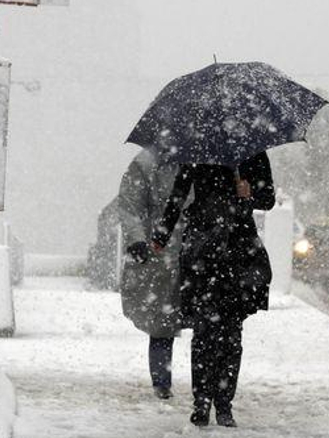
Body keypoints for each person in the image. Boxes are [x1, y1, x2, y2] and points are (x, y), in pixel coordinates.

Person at [153, 151, 274, 428]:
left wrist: (250, 192)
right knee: (205, 331)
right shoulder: (199, 151)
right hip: (203, 251)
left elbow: (268, 198)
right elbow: (178, 194)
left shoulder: (252, 153)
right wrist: (162, 234)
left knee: (231, 333)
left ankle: (223, 403)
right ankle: (202, 402)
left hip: (239, 251)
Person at [116, 147, 183, 400]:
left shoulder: (207, 160)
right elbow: (130, 206)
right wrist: (137, 240)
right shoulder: (146, 164)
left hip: (197, 249)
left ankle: (205, 387)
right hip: (162, 251)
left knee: (201, 320)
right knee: (162, 320)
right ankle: (162, 381)